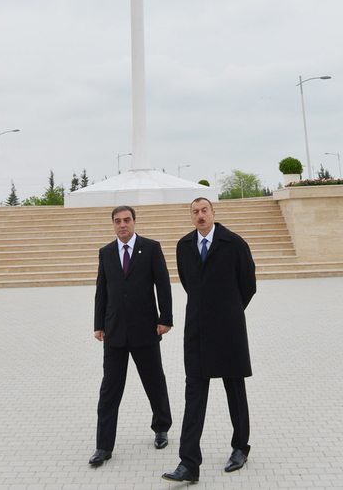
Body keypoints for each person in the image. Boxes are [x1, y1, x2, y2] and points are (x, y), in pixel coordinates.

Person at [162, 197, 256, 484]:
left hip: (228, 330)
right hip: (197, 331)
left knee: (235, 391)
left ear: (214, 213)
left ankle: (240, 447)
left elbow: (248, 285)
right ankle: (189, 462)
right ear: (191, 217)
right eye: (195, 212)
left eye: (204, 210)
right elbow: (188, 283)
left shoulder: (234, 243)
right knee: (194, 395)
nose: (200, 216)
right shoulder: (184, 246)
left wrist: (229, 309)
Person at [90, 204, 173, 466]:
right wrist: (98, 324)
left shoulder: (151, 248)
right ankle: (103, 447)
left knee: (154, 382)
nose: (122, 225)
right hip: (114, 332)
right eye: (118, 221)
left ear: (134, 222)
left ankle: (161, 427)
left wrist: (165, 318)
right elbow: (101, 290)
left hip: (145, 329)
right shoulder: (106, 252)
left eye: (127, 220)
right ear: (113, 225)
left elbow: (163, 284)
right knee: (109, 390)